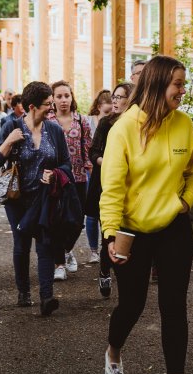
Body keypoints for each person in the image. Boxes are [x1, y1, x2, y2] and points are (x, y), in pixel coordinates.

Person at [100, 55, 193, 374]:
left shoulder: (184, 124)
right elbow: (111, 188)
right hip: (132, 231)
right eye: (178, 84)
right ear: (159, 85)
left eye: (183, 83)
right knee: (133, 303)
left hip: (174, 227)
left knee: (174, 306)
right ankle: (113, 354)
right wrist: (111, 234)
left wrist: (186, 202)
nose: (183, 90)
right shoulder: (124, 128)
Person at [0, 81, 75, 314]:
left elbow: (66, 163)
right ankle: (23, 291)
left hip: (44, 198)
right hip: (18, 198)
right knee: (21, 244)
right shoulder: (11, 126)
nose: (52, 108)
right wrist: (8, 141)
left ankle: (46, 297)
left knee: (45, 244)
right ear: (31, 106)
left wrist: (54, 173)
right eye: (48, 104)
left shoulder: (54, 130)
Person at [86, 81, 134, 298]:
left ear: (131, 99)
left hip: (132, 188)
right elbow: (93, 152)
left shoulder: (137, 125)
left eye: (120, 97)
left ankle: (127, 277)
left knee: (128, 232)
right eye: (113, 97)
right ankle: (105, 271)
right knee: (109, 233)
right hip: (105, 183)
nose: (115, 101)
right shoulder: (106, 123)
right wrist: (110, 163)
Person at [49, 80, 93, 279]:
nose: (63, 100)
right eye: (59, 96)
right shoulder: (48, 120)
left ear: (71, 97)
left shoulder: (81, 120)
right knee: (56, 221)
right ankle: (58, 264)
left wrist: (91, 168)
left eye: (66, 95)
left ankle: (66, 251)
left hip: (79, 178)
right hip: (56, 179)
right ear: (53, 99)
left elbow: (88, 148)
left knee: (77, 221)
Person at [84, 89, 113, 264]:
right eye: (106, 110)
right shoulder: (90, 122)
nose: (109, 113)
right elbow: (89, 147)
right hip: (90, 172)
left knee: (106, 211)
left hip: (104, 171)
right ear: (99, 106)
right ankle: (93, 249)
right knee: (92, 213)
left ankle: (105, 246)